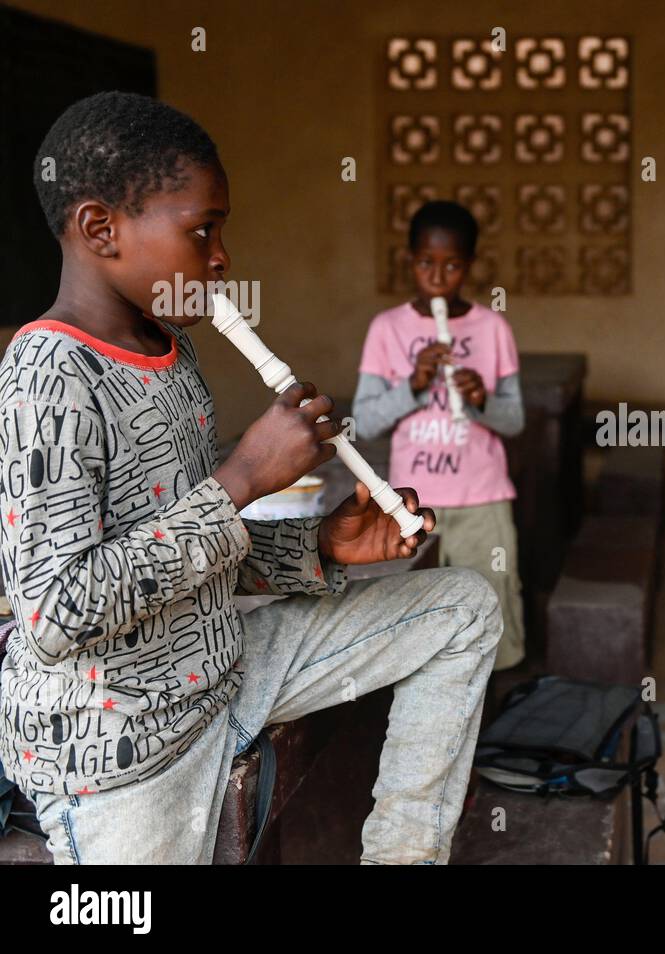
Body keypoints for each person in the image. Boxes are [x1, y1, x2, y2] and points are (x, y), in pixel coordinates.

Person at [0, 91, 502, 864]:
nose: (223, 256)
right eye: (203, 230)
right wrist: (241, 477)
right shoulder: (47, 372)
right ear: (101, 228)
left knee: (463, 607)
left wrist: (321, 546)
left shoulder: (173, 353)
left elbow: (189, 551)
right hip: (124, 745)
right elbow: (57, 614)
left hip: (227, 671)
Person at [353, 200, 527, 671]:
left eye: (452, 265)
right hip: (413, 504)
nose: (437, 276)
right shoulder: (387, 328)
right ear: (411, 260)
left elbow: (514, 421)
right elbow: (364, 421)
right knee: (419, 621)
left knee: (491, 610)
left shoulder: (493, 327)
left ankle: (495, 719)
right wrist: (412, 384)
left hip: (482, 499)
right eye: (426, 262)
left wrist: (481, 399)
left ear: (468, 266)